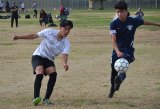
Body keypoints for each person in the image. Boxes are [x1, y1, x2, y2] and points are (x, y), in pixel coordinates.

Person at [13, 20, 73, 106]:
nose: (67, 31)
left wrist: (65, 64)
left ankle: (46, 99)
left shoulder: (66, 43)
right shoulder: (49, 32)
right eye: (65, 29)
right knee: (40, 72)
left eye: (69, 30)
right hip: (38, 55)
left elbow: (65, 55)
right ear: (60, 27)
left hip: (49, 60)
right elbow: (34, 36)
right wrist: (18, 37)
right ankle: (36, 98)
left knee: (53, 74)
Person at [108, 1, 160, 98]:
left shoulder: (133, 21)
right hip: (117, 51)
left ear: (126, 11)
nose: (119, 14)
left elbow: (145, 22)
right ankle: (113, 88)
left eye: (121, 11)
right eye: (117, 12)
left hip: (128, 50)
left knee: (123, 65)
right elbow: (113, 40)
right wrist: (118, 51)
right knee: (113, 73)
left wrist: (157, 24)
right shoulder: (113, 24)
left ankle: (120, 78)